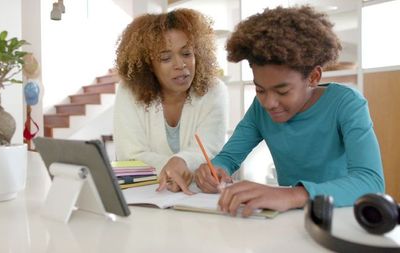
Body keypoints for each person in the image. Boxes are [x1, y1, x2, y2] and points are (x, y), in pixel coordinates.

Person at [194, 5, 384, 217]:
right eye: (260, 89)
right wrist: (215, 170)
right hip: (289, 219)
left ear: (313, 77)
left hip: (341, 215)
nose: (269, 103)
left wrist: (292, 195)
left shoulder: (346, 103)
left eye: (282, 91)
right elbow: (228, 158)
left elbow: (370, 181)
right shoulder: (260, 109)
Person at [114, 8, 228, 194]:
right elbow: (129, 157)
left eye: (186, 53)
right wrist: (172, 167)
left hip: (199, 198)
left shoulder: (214, 90)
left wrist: (181, 162)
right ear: (148, 65)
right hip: (148, 196)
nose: (180, 65)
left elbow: (210, 151)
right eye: (166, 58)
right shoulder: (129, 92)